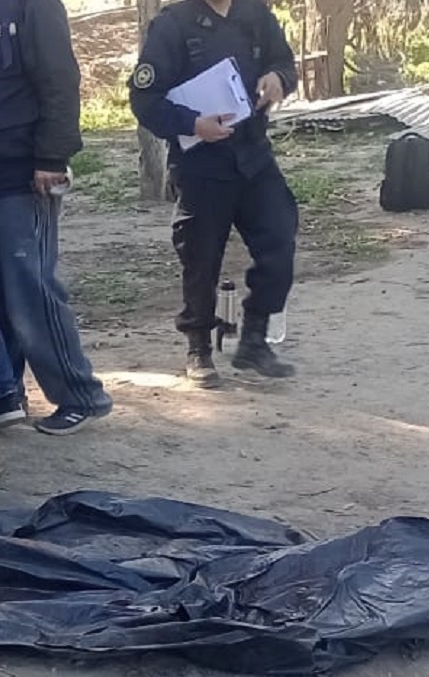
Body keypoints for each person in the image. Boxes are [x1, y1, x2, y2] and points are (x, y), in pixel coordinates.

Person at [0, 0, 115, 436]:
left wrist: (52, 156)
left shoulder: (32, 6)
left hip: (25, 174)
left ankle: (80, 395)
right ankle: (5, 394)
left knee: (31, 289)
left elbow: (59, 80)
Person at [129, 0, 299, 387]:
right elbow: (144, 100)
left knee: (279, 236)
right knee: (201, 256)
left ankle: (254, 339)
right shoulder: (172, 25)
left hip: (253, 156)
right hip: (202, 163)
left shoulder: (255, 14)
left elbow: (285, 65)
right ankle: (199, 347)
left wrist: (278, 78)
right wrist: (192, 123)